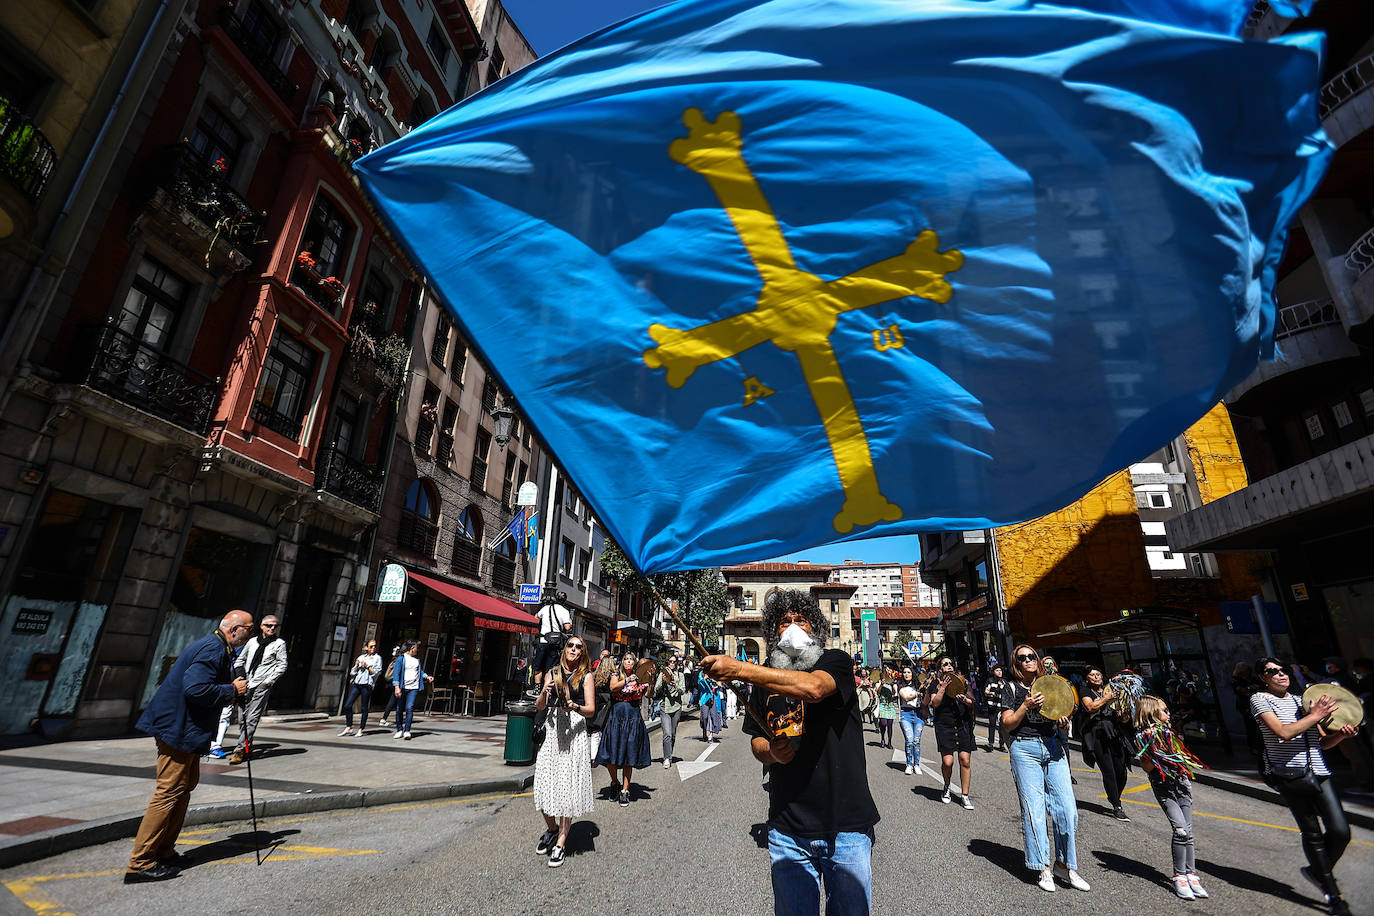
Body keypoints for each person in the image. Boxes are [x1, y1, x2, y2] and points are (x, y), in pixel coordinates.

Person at [705, 590, 879, 916]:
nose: (794, 627)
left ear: (816, 629)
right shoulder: (764, 680)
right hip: (787, 831)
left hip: (845, 828)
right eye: (785, 622)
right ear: (775, 633)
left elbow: (813, 689)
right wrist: (770, 752)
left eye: (802, 620)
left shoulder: (836, 661)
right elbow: (756, 740)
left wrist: (739, 669)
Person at [125, 611, 252, 883]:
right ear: (234, 630)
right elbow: (195, 689)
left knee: (183, 789)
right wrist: (232, 690)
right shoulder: (212, 649)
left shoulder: (221, 648)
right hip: (178, 729)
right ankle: (141, 862)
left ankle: (164, 851)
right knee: (168, 792)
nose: (250, 635)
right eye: (249, 630)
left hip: (187, 730)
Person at [1252, 657, 1359, 915]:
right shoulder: (1260, 699)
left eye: (1284, 670)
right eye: (1272, 672)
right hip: (1290, 775)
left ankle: (1316, 871)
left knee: (1340, 831)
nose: (1281, 675)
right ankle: (1334, 895)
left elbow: (1322, 743)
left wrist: (1341, 735)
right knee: (1312, 833)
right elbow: (1283, 733)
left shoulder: (1302, 699)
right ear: (1262, 678)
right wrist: (1315, 715)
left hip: (1319, 772)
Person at [1001, 643, 1089, 893]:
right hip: (1025, 748)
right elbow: (1008, 724)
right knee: (1034, 810)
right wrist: (1025, 706)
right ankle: (1043, 868)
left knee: (1068, 810)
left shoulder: (1052, 684)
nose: (1028, 660)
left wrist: (1063, 725)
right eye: (1022, 658)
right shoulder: (1011, 688)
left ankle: (1064, 865)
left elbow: (1062, 718)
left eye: (1032, 656)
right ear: (1016, 664)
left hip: (1053, 748)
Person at [1134, 695, 1210, 901]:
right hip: (1163, 786)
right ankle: (1179, 877)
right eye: (1164, 710)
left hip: (1182, 783)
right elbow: (1148, 768)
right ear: (1151, 713)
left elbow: (1181, 760)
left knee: (1189, 831)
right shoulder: (1143, 737)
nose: (1168, 713)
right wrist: (1152, 753)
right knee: (1180, 830)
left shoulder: (1171, 733)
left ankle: (1191, 875)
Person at [533, 636, 596, 867]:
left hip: (574, 733)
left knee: (567, 787)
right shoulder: (552, 673)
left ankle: (561, 842)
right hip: (552, 731)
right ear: (565, 649)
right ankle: (552, 828)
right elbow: (540, 706)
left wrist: (575, 706)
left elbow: (590, 710)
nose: (574, 649)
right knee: (544, 782)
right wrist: (545, 692)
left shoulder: (586, 676)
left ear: (583, 653)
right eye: (571, 645)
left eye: (579, 647)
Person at [593, 651, 652, 806]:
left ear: (635, 663)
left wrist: (650, 681)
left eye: (631, 660)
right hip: (616, 717)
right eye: (626, 659)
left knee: (629, 755)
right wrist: (627, 680)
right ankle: (614, 782)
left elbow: (648, 694)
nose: (628, 662)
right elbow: (613, 688)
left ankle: (625, 790)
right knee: (611, 754)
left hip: (633, 717)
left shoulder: (640, 677)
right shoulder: (616, 674)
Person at [228, 616, 286, 765]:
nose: (272, 628)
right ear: (261, 626)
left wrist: (268, 681)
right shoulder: (252, 642)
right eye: (268, 625)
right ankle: (247, 747)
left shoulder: (279, 644)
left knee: (252, 718)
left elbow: (282, 665)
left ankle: (240, 750)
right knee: (242, 719)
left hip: (262, 685)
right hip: (246, 684)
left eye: (275, 626)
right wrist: (241, 676)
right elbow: (240, 660)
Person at [1079, 667, 1131, 821]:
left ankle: (1114, 796)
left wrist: (1124, 715)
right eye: (1092, 675)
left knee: (1121, 771)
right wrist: (1106, 698)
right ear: (1087, 678)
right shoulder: (1085, 691)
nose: (1096, 677)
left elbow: (1123, 717)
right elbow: (1090, 707)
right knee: (1109, 771)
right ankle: (1117, 806)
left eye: (1098, 674)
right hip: (1098, 734)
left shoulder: (1112, 689)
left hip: (1114, 733)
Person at [927, 655, 975, 809]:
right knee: (948, 762)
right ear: (940, 668)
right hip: (944, 725)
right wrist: (942, 688)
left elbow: (972, 702)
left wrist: (965, 701)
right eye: (944, 664)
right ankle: (946, 786)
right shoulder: (935, 683)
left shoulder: (963, 681)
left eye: (950, 663)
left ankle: (965, 795)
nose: (948, 666)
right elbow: (934, 703)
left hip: (962, 724)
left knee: (965, 760)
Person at [528, 598, 573, 698]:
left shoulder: (545, 608)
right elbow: (567, 627)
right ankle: (546, 688)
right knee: (550, 667)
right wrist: (570, 622)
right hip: (555, 642)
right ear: (564, 601)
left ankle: (537, 688)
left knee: (538, 666)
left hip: (543, 640)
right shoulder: (564, 611)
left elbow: (536, 617)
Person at [392, 640, 434, 739]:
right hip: (403, 687)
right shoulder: (401, 659)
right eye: (416, 648)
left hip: (413, 688)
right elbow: (396, 674)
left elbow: (419, 671)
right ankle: (399, 729)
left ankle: (407, 730)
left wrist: (426, 676)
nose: (417, 650)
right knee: (399, 709)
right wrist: (397, 687)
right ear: (412, 648)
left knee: (409, 708)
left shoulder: (417, 659)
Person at [340, 639, 382, 736]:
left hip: (367, 684)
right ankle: (349, 727)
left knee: (364, 708)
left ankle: (360, 729)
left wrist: (367, 666)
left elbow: (376, 673)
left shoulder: (377, 658)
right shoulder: (361, 657)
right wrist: (356, 666)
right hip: (357, 683)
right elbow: (352, 672)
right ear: (366, 647)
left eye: (374, 646)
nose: (373, 648)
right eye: (371, 646)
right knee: (347, 705)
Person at [655, 654, 687, 768]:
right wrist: (664, 682)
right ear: (667, 662)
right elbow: (656, 689)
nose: (672, 663)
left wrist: (675, 685)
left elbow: (683, 690)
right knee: (667, 734)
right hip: (665, 707)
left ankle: (670, 754)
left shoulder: (680, 675)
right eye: (670, 661)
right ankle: (666, 758)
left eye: (674, 662)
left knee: (672, 734)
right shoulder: (662, 674)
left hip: (676, 707)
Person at [898, 665, 924, 776]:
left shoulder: (919, 686)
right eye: (904, 672)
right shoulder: (900, 687)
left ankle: (916, 764)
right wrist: (917, 694)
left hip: (918, 714)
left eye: (908, 672)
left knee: (916, 741)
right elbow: (906, 698)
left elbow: (926, 700)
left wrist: (924, 693)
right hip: (906, 714)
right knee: (909, 740)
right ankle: (909, 764)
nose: (906, 674)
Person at [982, 663, 1008, 751]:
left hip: (1001, 706)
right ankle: (991, 743)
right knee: (992, 724)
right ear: (993, 672)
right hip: (992, 706)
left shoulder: (1004, 682)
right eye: (997, 670)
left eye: (1000, 670)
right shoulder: (990, 680)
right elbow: (985, 691)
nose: (999, 672)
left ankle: (1001, 744)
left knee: (1002, 726)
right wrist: (991, 693)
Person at [875, 671, 898, 749]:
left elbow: (894, 693)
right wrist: (881, 684)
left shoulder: (890, 684)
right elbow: (878, 692)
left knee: (890, 725)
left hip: (890, 706)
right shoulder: (878, 684)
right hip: (882, 706)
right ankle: (882, 738)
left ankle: (889, 742)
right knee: (883, 723)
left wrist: (892, 685)